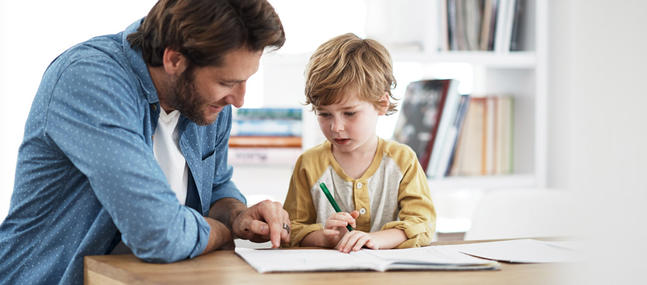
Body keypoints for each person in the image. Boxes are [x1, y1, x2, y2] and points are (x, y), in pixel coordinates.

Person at [0, 0, 290, 284]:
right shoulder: (90, 79)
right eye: (226, 83)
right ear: (174, 59)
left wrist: (239, 216)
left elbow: (215, 188)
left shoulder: (206, 104)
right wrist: (223, 232)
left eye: (245, 80)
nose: (238, 101)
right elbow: (159, 234)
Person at [283, 33, 436, 253]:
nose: (336, 127)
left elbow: (422, 225)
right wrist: (326, 238)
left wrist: (375, 239)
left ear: (381, 104)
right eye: (324, 114)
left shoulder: (403, 160)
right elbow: (292, 229)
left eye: (349, 113)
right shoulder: (309, 164)